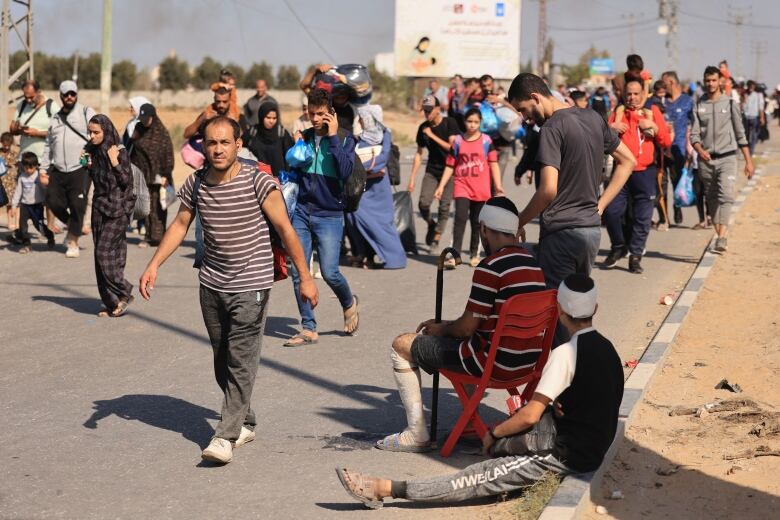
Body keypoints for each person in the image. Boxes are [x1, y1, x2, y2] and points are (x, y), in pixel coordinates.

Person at [340, 273, 622, 509]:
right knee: (502, 456)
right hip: (589, 446)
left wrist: (494, 433)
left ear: (560, 311)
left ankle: (386, 488)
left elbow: (529, 417)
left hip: (567, 455)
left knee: (479, 476)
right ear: (595, 310)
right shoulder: (608, 350)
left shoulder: (565, 354)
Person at [139, 116, 318, 463]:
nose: (217, 149)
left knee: (241, 359)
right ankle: (245, 420)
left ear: (238, 145)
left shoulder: (259, 182)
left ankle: (226, 434)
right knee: (222, 359)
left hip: (252, 282)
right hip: (212, 283)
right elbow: (178, 225)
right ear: (203, 146)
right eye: (211, 143)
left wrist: (305, 277)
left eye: (224, 142)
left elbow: (285, 229)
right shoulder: (197, 183)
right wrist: (153, 264)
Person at [374, 197, 546, 452]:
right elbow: (477, 323)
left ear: (484, 229)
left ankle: (416, 434)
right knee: (462, 340)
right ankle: (469, 423)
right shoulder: (533, 264)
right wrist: (446, 327)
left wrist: (440, 329)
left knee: (401, 345)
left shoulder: (491, 267)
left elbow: (466, 328)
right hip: (526, 363)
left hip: (492, 363)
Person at [507, 73, 635, 291]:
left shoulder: (551, 128)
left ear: (535, 97)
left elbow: (548, 190)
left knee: (557, 309)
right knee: (575, 306)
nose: (525, 117)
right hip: (590, 232)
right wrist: (601, 205)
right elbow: (628, 161)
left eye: (523, 109)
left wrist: (518, 222)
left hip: (561, 233)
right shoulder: (594, 118)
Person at [282, 88, 360, 348]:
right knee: (299, 270)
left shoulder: (346, 139)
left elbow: (346, 170)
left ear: (331, 113)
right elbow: (293, 169)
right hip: (302, 212)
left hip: (329, 215)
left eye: (321, 114)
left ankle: (348, 302)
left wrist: (334, 136)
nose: (315, 119)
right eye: (312, 113)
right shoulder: (303, 136)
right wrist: (296, 151)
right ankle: (308, 327)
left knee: (329, 271)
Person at [603, 79, 672, 274]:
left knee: (642, 218)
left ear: (644, 94)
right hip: (621, 172)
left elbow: (666, 141)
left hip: (645, 172)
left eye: (636, 93)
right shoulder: (618, 112)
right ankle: (618, 246)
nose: (632, 98)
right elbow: (602, 137)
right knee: (611, 211)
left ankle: (635, 255)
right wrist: (612, 129)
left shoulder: (652, 112)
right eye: (629, 94)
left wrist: (654, 126)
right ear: (624, 95)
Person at [690, 66, 754, 253]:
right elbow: (693, 135)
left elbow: (741, 134)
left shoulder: (730, 104)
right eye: (707, 80)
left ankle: (722, 236)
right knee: (711, 198)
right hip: (706, 161)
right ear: (704, 81)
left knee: (725, 195)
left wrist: (748, 161)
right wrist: (700, 150)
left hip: (728, 158)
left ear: (720, 82)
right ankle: (719, 235)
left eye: (713, 80)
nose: (710, 84)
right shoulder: (699, 105)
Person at [433, 107, 503, 268]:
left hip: (481, 188)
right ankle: (454, 255)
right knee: (459, 219)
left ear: (480, 123)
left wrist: (498, 186)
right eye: (469, 121)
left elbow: (494, 164)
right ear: (464, 122)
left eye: (476, 122)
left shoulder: (487, 141)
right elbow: (450, 165)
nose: (472, 125)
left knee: (477, 223)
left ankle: (474, 254)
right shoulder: (457, 141)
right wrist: (441, 186)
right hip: (462, 185)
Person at [84, 114, 136, 317]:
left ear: (106, 131)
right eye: (89, 132)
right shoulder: (92, 150)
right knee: (103, 257)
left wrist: (114, 161)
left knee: (104, 252)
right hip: (99, 206)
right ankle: (112, 302)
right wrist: (86, 164)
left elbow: (125, 181)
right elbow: (94, 178)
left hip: (117, 209)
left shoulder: (118, 151)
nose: (92, 136)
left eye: (96, 132)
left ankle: (125, 290)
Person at [346, 105, 407, 269]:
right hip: (363, 188)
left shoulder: (385, 135)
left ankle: (396, 259)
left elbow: (383, 157)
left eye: (362, 117)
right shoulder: (359, 138)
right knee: (356, 217)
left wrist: (362, 166)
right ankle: (365, 255)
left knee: (383, 222)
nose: (360, 120)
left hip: (379, 188)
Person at [41, 80, 97, 258]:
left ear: (76, 94)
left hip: (79, 168)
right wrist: (43, 169)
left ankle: (73, 241)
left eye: (72, 93)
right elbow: (48, 145)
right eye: (66, 94)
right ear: (61, 96)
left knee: (77, 205)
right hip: (58, 168)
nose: (69, 97)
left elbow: (98, 133)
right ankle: (75, 225)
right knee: (52, 201)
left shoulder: (86, 112)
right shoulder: (55, 118)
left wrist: (93, 155)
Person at [407, 95, 460, 253]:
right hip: (432, 170)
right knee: (423, 203)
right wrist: (412, 179)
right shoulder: (423, 128)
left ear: (438, 109)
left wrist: (432, 136)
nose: (427, 114)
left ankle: (436, 237)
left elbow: (452, 148)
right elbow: (418, 154)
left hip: (450, 170)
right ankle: (431, 224)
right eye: (425, 111)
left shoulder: (450, 123)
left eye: (430, 110)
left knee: (444, 206)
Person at [11, 79, 59, 234]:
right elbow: (13, 126)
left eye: (31, 96)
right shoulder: (22, 105)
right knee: (23, 193)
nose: (28, 99)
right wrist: (16, 129)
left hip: (45, 159)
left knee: (48, 195)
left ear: (38, 92)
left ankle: (50, 225)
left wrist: (37, 133)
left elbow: (59, 130)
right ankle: (21, 229)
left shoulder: (51, 106)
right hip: (24, 158)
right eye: (25, 96)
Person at [129, 103, 174, 247]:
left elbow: (168, 154)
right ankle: (149, 236)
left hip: (159, 176)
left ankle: (159, 237)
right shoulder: (139, 129)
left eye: (146, 118)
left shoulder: (161, 133)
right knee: (146, 206)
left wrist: (166, 173)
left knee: (158, 206)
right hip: (142, 174)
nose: (144, 121)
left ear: (153, 117)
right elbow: (134, 150)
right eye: (142, 118)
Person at [660, 71, 694, 228]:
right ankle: (664, 217)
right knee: (662, 183)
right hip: (661, 148)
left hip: (679, 149)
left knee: (676, 181)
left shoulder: (688, 101)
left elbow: (695, 124)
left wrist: (691, 146)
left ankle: (677, 206)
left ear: (671, 82)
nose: (662, 86)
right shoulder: (662, 102)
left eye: (664, 83)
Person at [8, 152, 54, 253]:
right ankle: (27, 245)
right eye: (26, 168)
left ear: (36, 166)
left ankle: (50, 236)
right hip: (25, 205)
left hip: (37, 206)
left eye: (31, 168)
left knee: (40, 227)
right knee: (23, 227)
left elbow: (45, 189)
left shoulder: (39, 176)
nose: (28, 170)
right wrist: (14, 206)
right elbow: (18, 192)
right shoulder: (22, 177)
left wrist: (47, 199)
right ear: (23, 166)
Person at [247, 102, 294, 177]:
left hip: (279, 179)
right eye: (268, 118)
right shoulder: (253, 132)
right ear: (261, 116)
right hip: (256, 178)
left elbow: (289, 158)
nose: (271, 121)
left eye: (274, 118)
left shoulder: (281, 133)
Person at [0, 132, 20, 233]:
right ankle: (9, 222)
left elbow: (17, 165)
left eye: (8, 144)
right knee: (7, 203)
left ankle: (17, 223)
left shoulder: (15, 153)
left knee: (16, 203)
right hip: (2, 182)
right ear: (1, 142)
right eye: (4, 144)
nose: (6, 146)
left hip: (12, 181)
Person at [743, 80, 765, 157]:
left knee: (754, 136)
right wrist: (743, 100)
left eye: (752, 87)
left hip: (754, 118)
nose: (750, 88)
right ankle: (748, 150)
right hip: (746, 117)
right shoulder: (745, 94)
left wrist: (762, 117)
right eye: (749, 86)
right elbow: (742, 107)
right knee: (746, 135)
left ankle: (751, 151)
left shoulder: (758, 95)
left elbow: (761, 107)